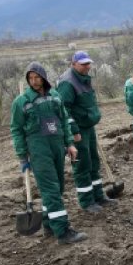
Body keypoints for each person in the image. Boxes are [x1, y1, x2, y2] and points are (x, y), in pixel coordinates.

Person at [10, 62, 87, 244]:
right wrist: (22, 156)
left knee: (57, 187)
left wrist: (69, 143)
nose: (34, 81)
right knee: (51, 190)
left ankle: (49, 226)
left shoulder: (55, 97)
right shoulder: (22, 102)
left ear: (44, 78)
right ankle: (62, 231)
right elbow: (16, 129)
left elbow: (63, 120)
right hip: (38, 150)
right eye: (31, 78)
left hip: (57, 146)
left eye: (37, 77)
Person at [56, 51, 114, 213]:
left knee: (94, 162)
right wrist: (73, 130)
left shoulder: (83, 78)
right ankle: (87, 201)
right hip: (78, 130)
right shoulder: (67, 83)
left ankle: (98, 196)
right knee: (82, 164)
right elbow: (63, 110)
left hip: (88, 127)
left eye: (88, 63)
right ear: (73, 64)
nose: (87, 66)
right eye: (83, 64)